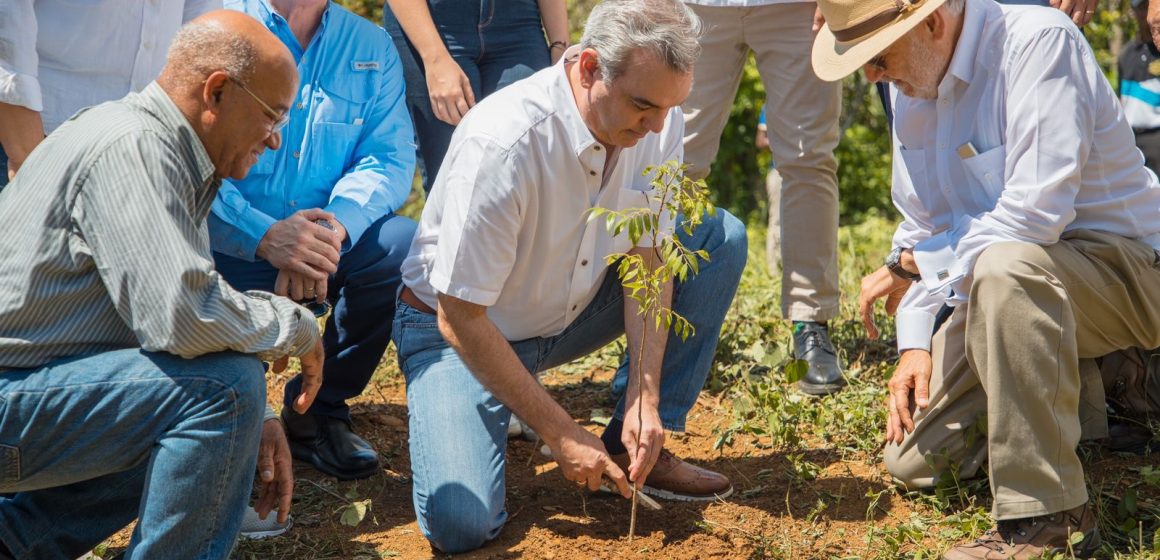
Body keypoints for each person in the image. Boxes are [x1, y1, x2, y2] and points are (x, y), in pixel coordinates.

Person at [392, 0, 747, 552]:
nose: (657, 126)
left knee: (716, 238)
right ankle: (500, 408)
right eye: (642, 106)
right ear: (587, 69)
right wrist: (561, 433)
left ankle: (636, 443)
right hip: (460, 335)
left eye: (668, 109)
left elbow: (649, 260)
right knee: (462, 526)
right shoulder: (503, 142)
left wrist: (643, 396)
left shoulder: (660, 115)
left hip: (567, 313)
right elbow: (457, 314)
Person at [813, 0, 1160, 557]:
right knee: (916, 461)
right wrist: (915, 343)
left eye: (878, 56)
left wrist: (917, 267)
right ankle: (1112, 383)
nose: (873, 75)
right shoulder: (912, 88)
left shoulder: (1037, 42)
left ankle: (1050, 520)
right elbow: (924, 227)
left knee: (1005, 268)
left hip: (1128, 272)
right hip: (1017, 288)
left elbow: (1033, 218)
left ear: (931, 22)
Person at [0, 11, 322, 558]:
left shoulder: (162, 146)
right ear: (217, 91)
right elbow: (183, 316)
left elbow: (168, 310)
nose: (273, 141)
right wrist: (299, 329)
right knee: (224, 391)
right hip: (11, 398)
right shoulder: (137, 149)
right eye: (273, 117)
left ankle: (15, 542)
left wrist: (260, 420)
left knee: (225, 394)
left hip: (24, 393)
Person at [211, 0, 417, 482]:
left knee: (401, 247)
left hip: (323, 251)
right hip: (224, 244)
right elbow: (185, 151)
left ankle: (316, 411)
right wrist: (264, 236)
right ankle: (230, 414)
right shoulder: (217, 22)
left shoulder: (371, 44)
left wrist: (324, 235)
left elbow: (385, 158)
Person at [679, 0, 845, 396]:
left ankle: (811, 321)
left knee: (808, 159)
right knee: (672, 160)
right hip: (696, 7)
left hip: (796, 8)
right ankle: (655, 321)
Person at [0, 0, 220, 188]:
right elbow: (9, 14)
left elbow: (202, 32)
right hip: (34, 139)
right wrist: (25, 156)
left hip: (144, 154)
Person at [381, 0, 569, 194]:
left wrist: (560, 45)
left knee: (525, 171)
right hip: (435, 25)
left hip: (520, 28)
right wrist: (435, 58)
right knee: (452, 182)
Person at [1120, 0, 1160, 170]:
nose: (1144, 14)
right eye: (1139, 8)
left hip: (1156, 138)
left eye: (1146, 7)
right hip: (1130, 140)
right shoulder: (1126, 53)